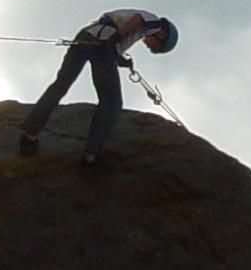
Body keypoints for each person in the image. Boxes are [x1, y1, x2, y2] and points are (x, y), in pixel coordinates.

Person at [18, 8, 179, 164]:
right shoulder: (154, 23)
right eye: (155, 47)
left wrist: (119, 58)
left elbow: (117, 37)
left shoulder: (139, 29)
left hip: (87, 35)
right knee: (112, 101)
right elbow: (137, 19)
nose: (149, 47)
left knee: (60, 85)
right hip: (103, 41)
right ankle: (91, 155)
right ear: (162, 34)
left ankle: (29, 136)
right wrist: (115, 39)